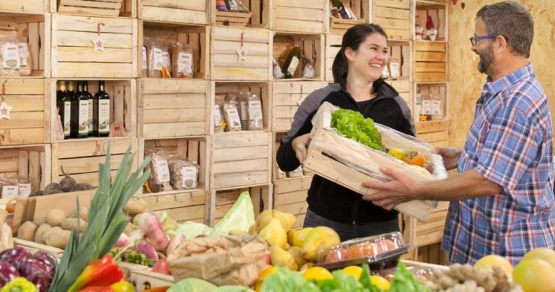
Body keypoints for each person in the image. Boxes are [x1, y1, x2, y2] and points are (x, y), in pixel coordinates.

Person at [361, 1, 555, 265]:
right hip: (482, 248)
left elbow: (488, 181)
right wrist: (463, 156)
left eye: (477, 38)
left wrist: (415, 189)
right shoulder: (501, 92)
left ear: (499, 43)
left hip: (506, 257)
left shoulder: (518, 101)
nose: (474, 46)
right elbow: (509, 158)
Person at [276, 24, 415, 241]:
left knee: (382, 277)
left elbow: (411, 160)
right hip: (325, 222)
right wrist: (296, 144)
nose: (382, 57)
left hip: (380, 225)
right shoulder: (321, 100)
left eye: (385, 51)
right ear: (350, 53)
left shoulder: (395, 105)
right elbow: (284, 162)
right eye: (374, 49)